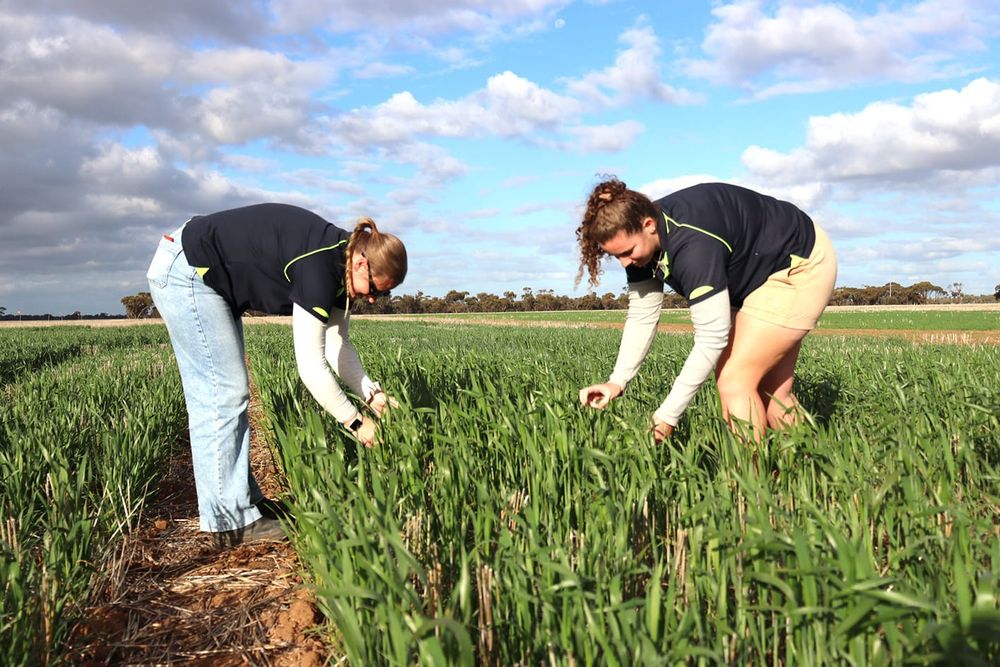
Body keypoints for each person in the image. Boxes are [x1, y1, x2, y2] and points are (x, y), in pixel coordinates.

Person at [146, 203, 407, 547]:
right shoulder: (318, 268)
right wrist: (357, 424)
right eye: (376, 289)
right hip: (187, 270)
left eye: (383, 294)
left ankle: (245, 503)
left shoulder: (342, 270)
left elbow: (337, 348)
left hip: (204, 275)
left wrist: (373, 396)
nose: (374, 299)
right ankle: (228, 523)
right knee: (222, 392)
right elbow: (311, 367)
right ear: (361, 262)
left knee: (228, 390)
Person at [576, 179, 837, 442]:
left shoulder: (692, 246)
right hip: (757, 274)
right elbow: (643, 317)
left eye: (628, 252)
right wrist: (616, 382)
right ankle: (806, 471)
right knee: (772, 391)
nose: (625, 264)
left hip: (797, 263)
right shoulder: (642, 244)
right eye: (616, 256)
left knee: (735, 381)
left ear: (648, 225)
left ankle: (752, 480)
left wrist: (668, 415)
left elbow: (712, 336)